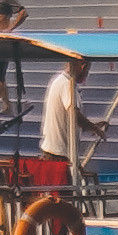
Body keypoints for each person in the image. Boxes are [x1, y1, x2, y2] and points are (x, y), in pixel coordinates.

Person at [37, 51, 93, 182]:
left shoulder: (59, 81)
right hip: (59, 155)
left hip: (55, 153)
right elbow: (74, 114)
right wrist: (94, 128)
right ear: (83, 66)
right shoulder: (66, 84)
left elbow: (69, 119)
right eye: (88, 70)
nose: (86, 75)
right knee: (63, 197)